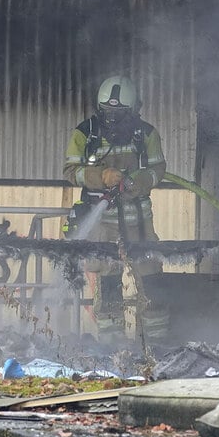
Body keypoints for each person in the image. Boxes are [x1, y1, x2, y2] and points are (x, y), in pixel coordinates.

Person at [63, 75, 169, 345]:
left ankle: (157, 344)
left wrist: (138, 181)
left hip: (139, 223)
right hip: (102, 225)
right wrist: (101, 176)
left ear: (133, 110)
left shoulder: (146, 134)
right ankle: (111, 348)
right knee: (108, 284)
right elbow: (70, 171)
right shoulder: (85, 133)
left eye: (118, 114)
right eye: (107, 113)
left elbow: (158, 169)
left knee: (152, 281)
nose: (111, 119)